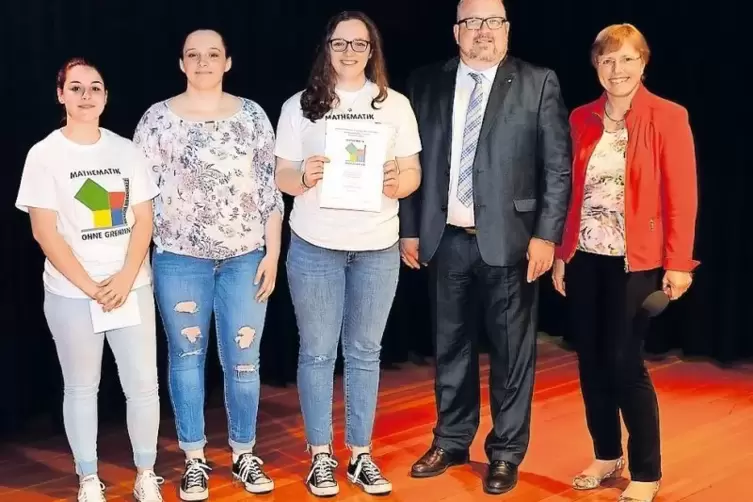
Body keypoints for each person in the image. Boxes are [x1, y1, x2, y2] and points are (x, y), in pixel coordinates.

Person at [401, 0, 572, 495]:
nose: (483, 32)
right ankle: (451, 439)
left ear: (508, 30)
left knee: (511, 354)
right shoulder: (425, 82)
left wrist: (546, 235)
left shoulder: (538, 81)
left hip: (514, 244)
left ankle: (506, 452)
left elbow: (557, 168)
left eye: (493, 22)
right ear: (456, 32)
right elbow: (410, 162)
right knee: (449, 348)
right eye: (472, 23)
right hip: (445, 239)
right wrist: (410, 228)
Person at [274, 10, 422, 498]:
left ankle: (360, 454)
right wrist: (305, 177)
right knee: (316, 353)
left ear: (372, 50)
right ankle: (321, 455)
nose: (351, 52)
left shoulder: (395, 105)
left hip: (376, 245)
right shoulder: (299, 106)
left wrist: (397, 182)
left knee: (364, 352)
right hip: (315, 243)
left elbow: (412, 173)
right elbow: (283, 177)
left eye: (360, 45)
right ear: (327, 48)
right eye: (341, 44)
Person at [132, 29, 284, 501]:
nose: (203, 62)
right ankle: (194, 459)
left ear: (228, 62)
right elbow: (137, 199)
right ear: (181, 63)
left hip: (245, 258)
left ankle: (243, 452)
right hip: (179, 260)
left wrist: (273, 253)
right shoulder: (157, 119)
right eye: (193, 55)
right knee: (187, 358)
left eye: (212, 54)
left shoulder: (253, 115)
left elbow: (269, 191)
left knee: (244, 361)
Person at [551, 23, 699, 502]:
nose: (617, 69)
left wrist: (678, 263)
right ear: (596, 65)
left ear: (644, 62)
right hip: (585, 257)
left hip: (637, 263)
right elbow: (570, 194)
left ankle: (647, 471)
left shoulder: (668, 116)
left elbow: (682, 196)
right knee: (590, 361)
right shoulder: (581, 118)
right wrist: (560, 254)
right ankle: (606, 453)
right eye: (608, 60)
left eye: (627, 59)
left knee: (623, 361)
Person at [15, 58, 164, 502]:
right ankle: (88, 478)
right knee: (82, 387)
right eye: (76, 87)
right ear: (60, 94)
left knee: (142, 385)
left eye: (95, 87)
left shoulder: (125, 150)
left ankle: (145, 474)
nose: (86, 95)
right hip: (72, 293)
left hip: (130, 287)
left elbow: (144, 220)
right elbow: (44, 231)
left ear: (105, 95)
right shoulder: (44, 154)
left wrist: (122, 279)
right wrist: (91, 287)